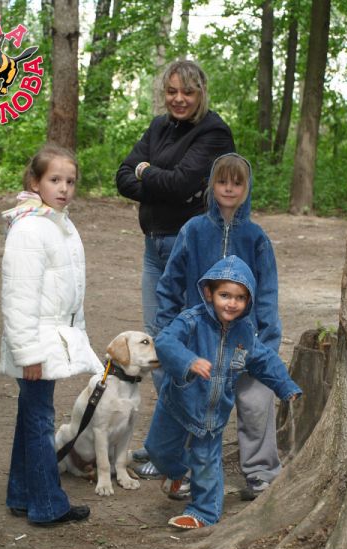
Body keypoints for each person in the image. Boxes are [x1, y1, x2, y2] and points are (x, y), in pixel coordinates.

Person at [116, 59, 235, 479]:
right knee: (160, 347)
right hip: (154, 248)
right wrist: (156, 179)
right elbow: (123, 177)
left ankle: (184, 452)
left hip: (190, 251)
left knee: (186, 346)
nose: (178, 99)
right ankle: (168, 444)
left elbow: (183, 183)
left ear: (201, 92)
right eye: (171, 91)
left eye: (187, 91)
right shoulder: (158, 127)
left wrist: (148, 173)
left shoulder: (214, 132)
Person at [154, 153, 283, 500]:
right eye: (222, 181)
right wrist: (171, 333)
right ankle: (181, 473)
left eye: (237, 183)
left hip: (244, 341)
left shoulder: (256, 237)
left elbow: (267, 294)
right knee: (189, 403)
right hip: (198, 340)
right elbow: (169, 284)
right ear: (212, 185)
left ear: (247, 188)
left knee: (257, 399)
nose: (229, 188)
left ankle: (260, 473)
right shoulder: (193, 230)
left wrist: (267, 342)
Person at [146, 255, 301, 529]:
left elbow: (265, 360)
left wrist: (286, 386)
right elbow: (166, 341)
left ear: (248, 300)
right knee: (158, 450)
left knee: (206, 461)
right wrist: (189, 361)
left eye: (240, 298)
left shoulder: (245, 333)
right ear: (209, 293)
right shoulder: (191, 320)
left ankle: (203, 512)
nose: (231, 303)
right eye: (225, 295)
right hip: (177, 403)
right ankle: (178, 472)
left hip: (213, 413)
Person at [0, 143, 103, 526]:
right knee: (40, 420)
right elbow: (18, 297)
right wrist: (28, 353)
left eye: (70, 181)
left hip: (50, 338)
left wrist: (77, 336)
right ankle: (47, 505)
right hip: (35, 344)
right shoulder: (29, 228)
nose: (64, 188)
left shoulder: (59, 222)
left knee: (32, 414)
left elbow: (70, 293)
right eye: (55, 180)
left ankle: (22, 493)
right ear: (35, 182)